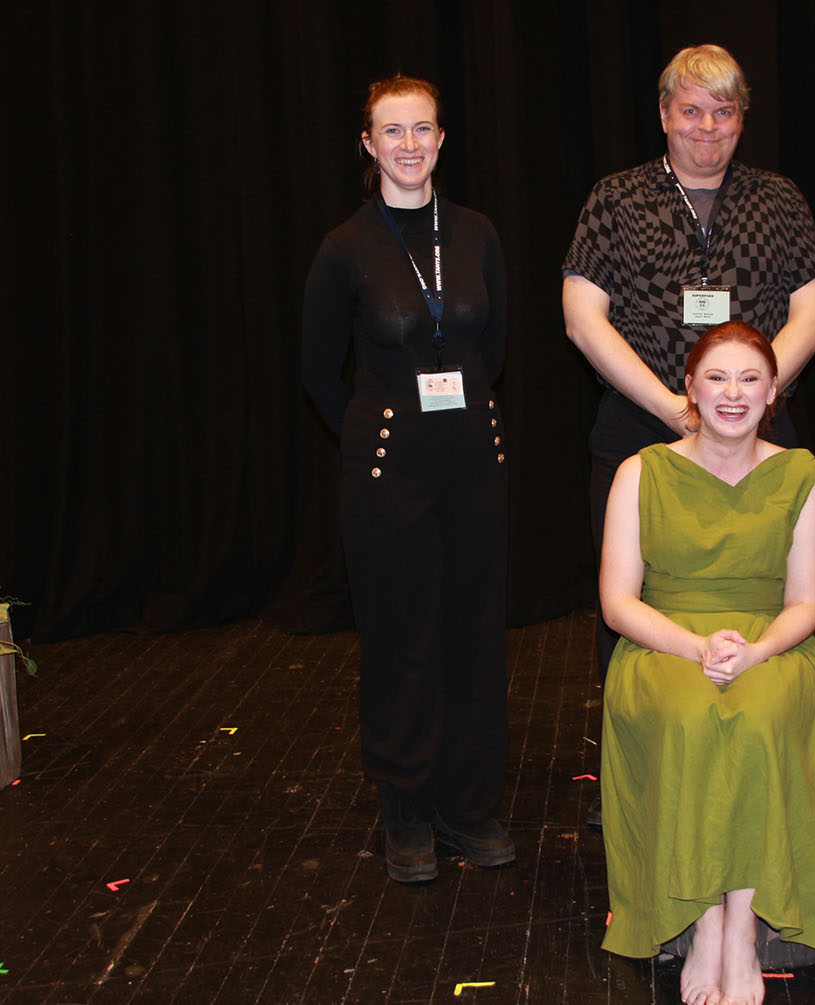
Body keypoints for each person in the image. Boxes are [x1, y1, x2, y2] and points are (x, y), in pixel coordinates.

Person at [598, 322, 815, 1005]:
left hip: (771, 641)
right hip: (664, 639)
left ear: (773, 391)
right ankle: (705, 921)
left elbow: (806, 602)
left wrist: (756, 652)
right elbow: (617, 602)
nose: (733, 393)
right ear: (690, 387)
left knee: (757, 717)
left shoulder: (800, 476)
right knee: (690, 714)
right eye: (717, 377)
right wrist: (695, 648)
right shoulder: (640, 473)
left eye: (750, 379)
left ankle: (742, 926)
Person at [563, 42, 815, 696]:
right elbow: (582, 319)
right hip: (639, 429)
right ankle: (640, 738)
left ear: (742, 118)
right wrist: (675, 408)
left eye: (724, 111)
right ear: (663, 115)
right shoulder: (616, 198)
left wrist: (747, 401)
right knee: (629, 605)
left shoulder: (779, 199)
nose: (707, 126)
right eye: (691, 111)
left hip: (757, 437)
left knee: (776, 597)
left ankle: (768, 723)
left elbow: (814, 314)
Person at [302, 75, 514, 882]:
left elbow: (493, 349)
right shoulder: (345, 247)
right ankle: (405, 808)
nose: (409, 145)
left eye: (422, 128)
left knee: (474, 633)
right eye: (392, 131)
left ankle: (469, 805)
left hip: (474, 462)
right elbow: (318, 370)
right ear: (368, 143)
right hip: (389, 470)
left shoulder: (476, 234)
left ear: (441, 138)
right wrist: (372, 429)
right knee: (402, 638)